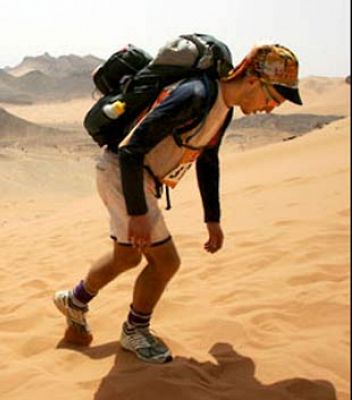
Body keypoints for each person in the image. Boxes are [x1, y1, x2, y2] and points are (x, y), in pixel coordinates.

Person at [54, 43, 302, 363]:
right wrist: (138, 213)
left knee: (127, 257)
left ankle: (75, 301)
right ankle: (135, 330)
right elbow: (131, 150)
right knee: (166, 262)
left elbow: (207, 160)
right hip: (123, 172)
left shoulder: (222, 110)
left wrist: (212, 219)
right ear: (254, 80)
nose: (270, 108)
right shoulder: (196, 95)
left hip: (133, 177)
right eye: (273, 98)